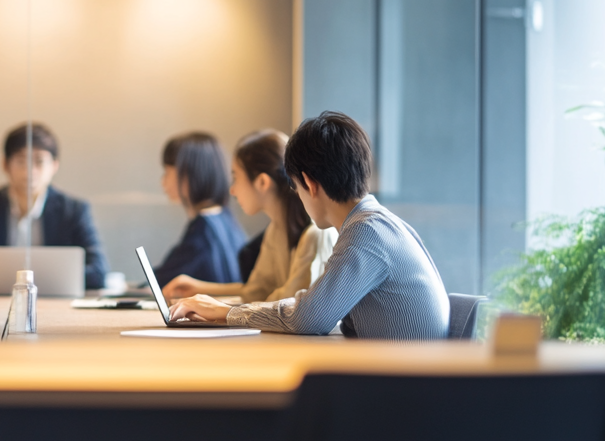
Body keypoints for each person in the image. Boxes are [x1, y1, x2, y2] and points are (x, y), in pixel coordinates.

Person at [168, 112, 449, 339]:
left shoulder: (367, 233)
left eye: (296, 188)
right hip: (404, 376)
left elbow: (309, 316)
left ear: (310, 185)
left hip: (407, 391)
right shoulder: (373, 224)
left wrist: (225, 312)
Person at [162, 129, 334, 302]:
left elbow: (290, 303)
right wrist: (201, 291)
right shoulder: (275, 230)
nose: (232, 190)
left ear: (262, 182)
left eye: (236, 178)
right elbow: (256, 291)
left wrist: (218, 309)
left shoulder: (315, 233)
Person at [0, 122, 108, 292]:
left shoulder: (74, 210)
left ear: (54, 166)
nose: (30, 171)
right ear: (5, 165)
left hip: (59, 306)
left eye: (39, 161)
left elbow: (98, 272)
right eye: (21, 161)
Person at [151, 133, 247, 285]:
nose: (163, 181)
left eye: (167, 172)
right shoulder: (224, 219)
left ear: (189, 174)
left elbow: (162, 281)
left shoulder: (203, 230)